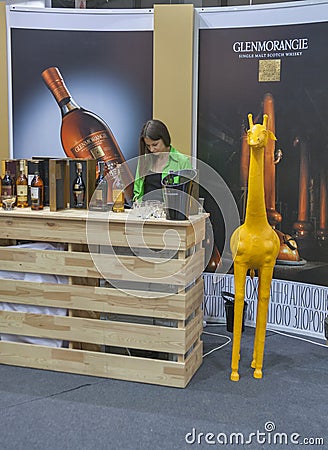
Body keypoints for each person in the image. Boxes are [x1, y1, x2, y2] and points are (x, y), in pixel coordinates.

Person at [133, 119, 192, 202]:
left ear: (164, 138)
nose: (152, 149)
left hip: (170, 213)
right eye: (148, 146)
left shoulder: (182, 162)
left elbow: (188, 197)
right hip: (144, 211)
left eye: (155, 144)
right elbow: (137, 192)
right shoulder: (144, 161)